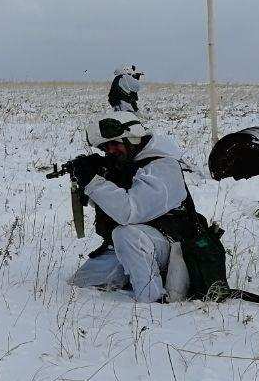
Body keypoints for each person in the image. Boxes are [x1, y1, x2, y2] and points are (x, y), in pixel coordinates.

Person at [64, 113, 191, 304]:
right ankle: (136, 275)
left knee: (126, 234)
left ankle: (153, 300)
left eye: (115, 144)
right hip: (140, 243)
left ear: (133, 138)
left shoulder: (162, 167)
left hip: (174, 249)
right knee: (82, 282)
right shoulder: (127, 164)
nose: (111, 150)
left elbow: (129, 212)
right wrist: (89, 189)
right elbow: (115, 202)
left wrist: (94, 183)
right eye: (106, 147)